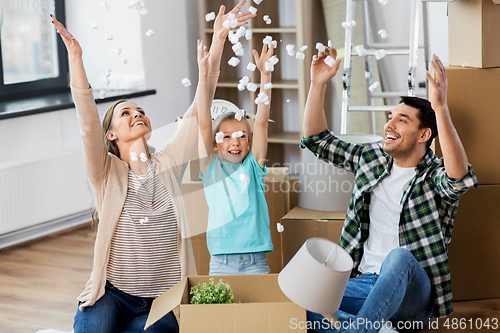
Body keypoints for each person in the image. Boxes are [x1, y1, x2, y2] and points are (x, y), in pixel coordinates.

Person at [50, 2, 256, 332]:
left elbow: (200, 104)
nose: (137, 114)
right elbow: (88, 122)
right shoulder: (106, 173)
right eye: (125, 113)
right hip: (112, 295)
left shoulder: (170, 159)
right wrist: (76, 58)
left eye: (140, 110)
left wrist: (218, 39)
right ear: (112, 134)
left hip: (163, 299)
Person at [301, 46, 478, 332]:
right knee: (303, 297)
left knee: (399, 257)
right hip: (361, 283)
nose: (389, 125)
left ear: (424, 135)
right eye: (390, 117)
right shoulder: (370, 158)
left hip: (411, 295)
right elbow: (317, 141)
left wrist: (440, 107)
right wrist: (318, 83)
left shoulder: (433, 176)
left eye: (401, 120)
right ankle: (379, 328)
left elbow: (459, 178)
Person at [198, 43, 275, 275]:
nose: (236, 141)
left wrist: (266, 75)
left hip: (255, 262)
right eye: (227, 136)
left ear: (249, 143)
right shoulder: (210, 169)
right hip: (221, 262)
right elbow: (203, 124)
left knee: (259, 312)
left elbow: (261, 121)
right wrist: (203, 77)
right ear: (215, 143)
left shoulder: (253, 166)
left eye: (242, 136)